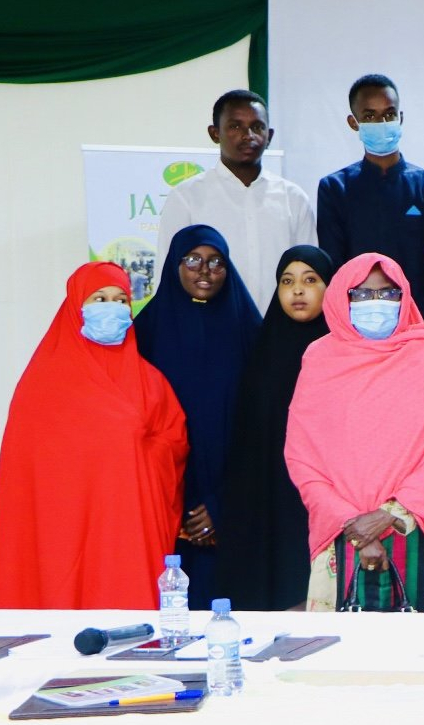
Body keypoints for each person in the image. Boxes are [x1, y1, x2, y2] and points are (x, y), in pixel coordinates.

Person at [285, 254, 424, 614]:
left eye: (388, 293)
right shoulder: (320, 360)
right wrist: (353, 525)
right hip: (343, 536)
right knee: (346, 649)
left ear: (405, 296)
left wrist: (389, 515)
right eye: (362, 294)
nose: (376, 303)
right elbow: (303, 459)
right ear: (342, 298)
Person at [0, 262, 186, 609]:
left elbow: (174, 447)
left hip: (126, 523)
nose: (112, 308)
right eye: (99, 299)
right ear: (76, 307)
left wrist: (137, 449)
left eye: (120, 300)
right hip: (61, 529)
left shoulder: (152, 382)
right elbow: (24, 471)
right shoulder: (40, 384)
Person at [136, 224, 263, 607]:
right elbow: (139, 426)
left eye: (216, 262)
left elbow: (263, 427)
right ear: (175, 264)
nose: (205, 271)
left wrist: (222, 505)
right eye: (193, 260)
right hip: (167, 499)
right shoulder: (146, 333)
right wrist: (176, 505)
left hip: (237, 500)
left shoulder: (250, 331)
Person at [215, 246, 336, 611]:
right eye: (287, 281)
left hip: (322, 496)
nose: (297, 290)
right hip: (266, 498)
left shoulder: (343, 352)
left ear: (331, 288)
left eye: (310, 280)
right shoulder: (260, 351)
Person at [317, 74, 424, 323]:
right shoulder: (335, 188)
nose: (381, 123)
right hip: (358, 322)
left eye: (389, 114)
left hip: (417, 323)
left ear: (400, 118)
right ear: (353, 122)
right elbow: (333, 266)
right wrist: (357, 316)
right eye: (370, 116)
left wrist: (415, 315)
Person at [158, 89, 315, 303]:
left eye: (257, 127)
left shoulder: (293, 199)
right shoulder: (187, 197)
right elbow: (167, 275)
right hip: (210, 322)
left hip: (278, 323)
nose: (248, 135)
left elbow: (310, 275)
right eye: (235, 126)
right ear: (215, 133)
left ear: (269, 136)